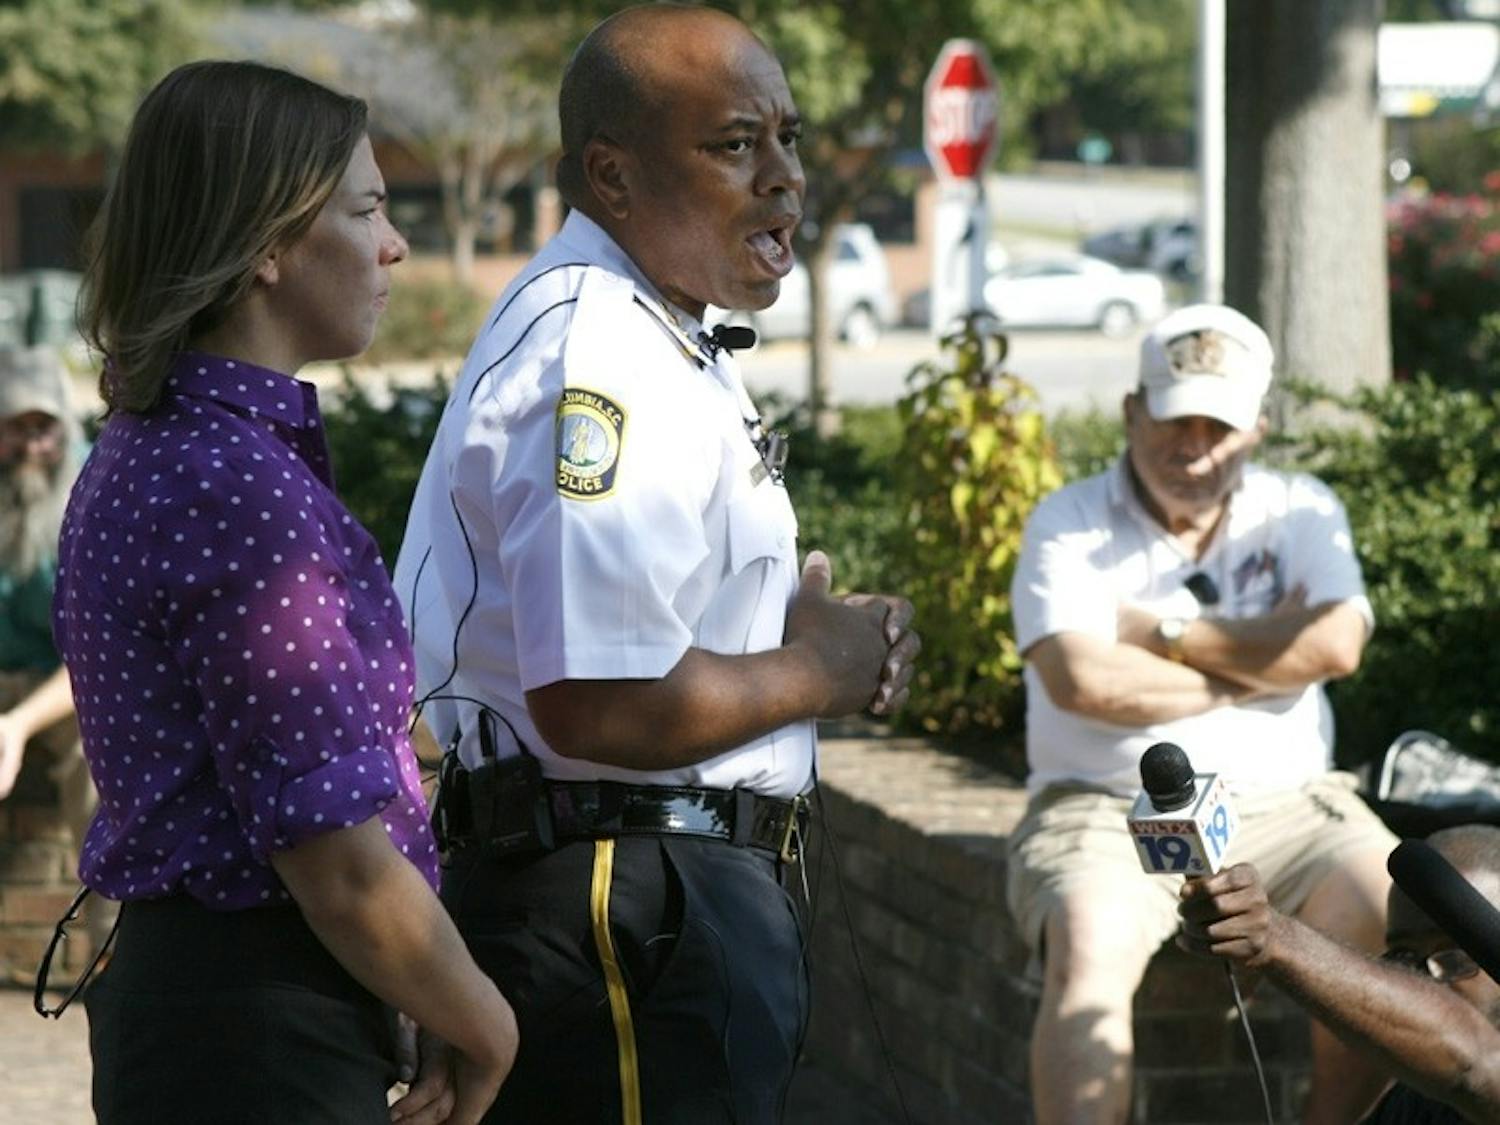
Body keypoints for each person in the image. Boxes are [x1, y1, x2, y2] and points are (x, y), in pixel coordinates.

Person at [393, 6, 919, 1123]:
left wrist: (813, 640)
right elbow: (600, 702)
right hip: (622, 900)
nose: (784, 177)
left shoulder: (656, 331)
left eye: (787, 137)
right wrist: (822, 667)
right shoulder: (605, 353)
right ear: (612, 175)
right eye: (734, 145)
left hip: (653, 895)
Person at [56, 59, 516, 1124]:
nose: (394, 245)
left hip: (215, 1007)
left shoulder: (160, 446)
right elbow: (335, 857)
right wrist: (486, 1026)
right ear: (266, 244)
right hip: (254, 1025)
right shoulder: (229, 483)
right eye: (366, 210)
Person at [1006, 303, 1398, 1124]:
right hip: (1107, 807)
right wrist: (1258, 670)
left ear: (1256, 428)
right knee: (1087, 952)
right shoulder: (1069, 521)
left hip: (1296, 807)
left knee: (1394, 917)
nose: (1192, 447)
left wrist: (1166, 633)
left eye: (1216, 427)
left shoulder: (1301, 507)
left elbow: (1336, 646)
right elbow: (1082, 682)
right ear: (1131, 411)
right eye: (1173, 419)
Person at [1180, 827, 1500, 1123]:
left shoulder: (1477, 1068)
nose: (1427, 980)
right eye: (1404, 959)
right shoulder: (1412, 1106)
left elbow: (1476, 1062)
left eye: (1455, 957)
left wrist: (1273, 938)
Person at [0, 345, 117, 962]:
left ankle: (113, 952)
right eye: (14, 428)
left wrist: (16, 727)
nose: (31, 447)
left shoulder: (93, 492)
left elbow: (100, 653)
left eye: (43, 428)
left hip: (63, 685)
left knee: (99, 761)